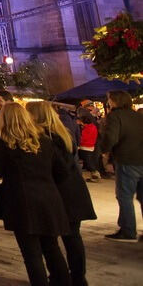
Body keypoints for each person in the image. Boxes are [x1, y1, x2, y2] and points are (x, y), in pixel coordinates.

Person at [0, 103, 71, 286]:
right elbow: (62, 172)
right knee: (52, 247)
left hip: (21, 201)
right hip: (48, 199)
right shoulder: (43, 140)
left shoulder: (2, 142)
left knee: (31, 253)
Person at [27, 101, 95, 286]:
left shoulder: (45, 138)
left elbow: (55, 169)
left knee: (51, 240)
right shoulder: (63, 133)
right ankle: (77, 277)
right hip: (74, 191)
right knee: (72, 238)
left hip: (59, 193)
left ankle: (62, 277)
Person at [98, 89, 143, 242]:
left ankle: (128, 230)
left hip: (127, 160)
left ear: (115, 101)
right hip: (140, 159)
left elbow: (111, 137)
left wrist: (104, 150)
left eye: (109, 99)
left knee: (125, 196)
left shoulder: (115, 116)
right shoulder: (138, 116)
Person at [78, 115, 100, 182]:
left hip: (85, 147)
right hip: (91, 146)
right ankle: (94, 174)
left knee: (88, 162)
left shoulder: (87, 128)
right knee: (89, 161)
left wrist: (79, 142)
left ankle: (95, 174)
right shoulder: (93, 127)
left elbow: (83, 138)